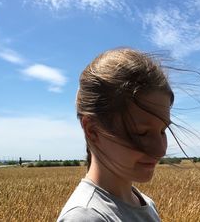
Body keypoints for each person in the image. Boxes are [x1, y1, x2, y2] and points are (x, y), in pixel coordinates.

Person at [57, 48, 174, 222]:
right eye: (141, 133)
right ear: (92, 130)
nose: (160, 150)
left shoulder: (146, 204)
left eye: (163, 131)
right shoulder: (86, 217)